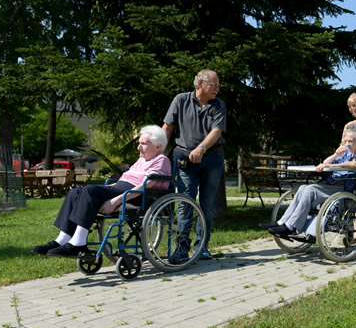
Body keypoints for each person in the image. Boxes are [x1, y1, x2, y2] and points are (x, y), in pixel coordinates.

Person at [32, 125, 172, 257]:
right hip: (122, 190)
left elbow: (144, 186)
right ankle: (62, 239)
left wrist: (116, 200)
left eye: (143, 144)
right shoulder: (142, 160)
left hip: (139, 197)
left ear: (157, 146)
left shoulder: (161, 160)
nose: (138, 147)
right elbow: (123, 180)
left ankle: (78, 243)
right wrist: (109, 189)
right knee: (75, 192)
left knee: (90, 191)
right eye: (139, 143)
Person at [261, 122, 356, 238]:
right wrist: (335, 155)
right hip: (334, 185)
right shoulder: (347, 153)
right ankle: (283, 223)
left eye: (350, 141)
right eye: (346, 141)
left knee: (310, 190)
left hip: (348, 189)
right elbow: (325, 164)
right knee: (302, 188)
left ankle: (292, 227)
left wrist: (333, 166)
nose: (346, 144)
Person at [162, 69, 227, 260]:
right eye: (214, 85)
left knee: (207, 204)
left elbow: (216, 132)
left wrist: (201, 148)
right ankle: (182, 248)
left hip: (212, 158)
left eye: (218, 86)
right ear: (200, 83)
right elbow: (167, 128)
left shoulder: (218, 105)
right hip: (184, 159)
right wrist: (156, 154)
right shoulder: (180, 100)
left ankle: (202, 246)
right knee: (184, 203)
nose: (217, 89)